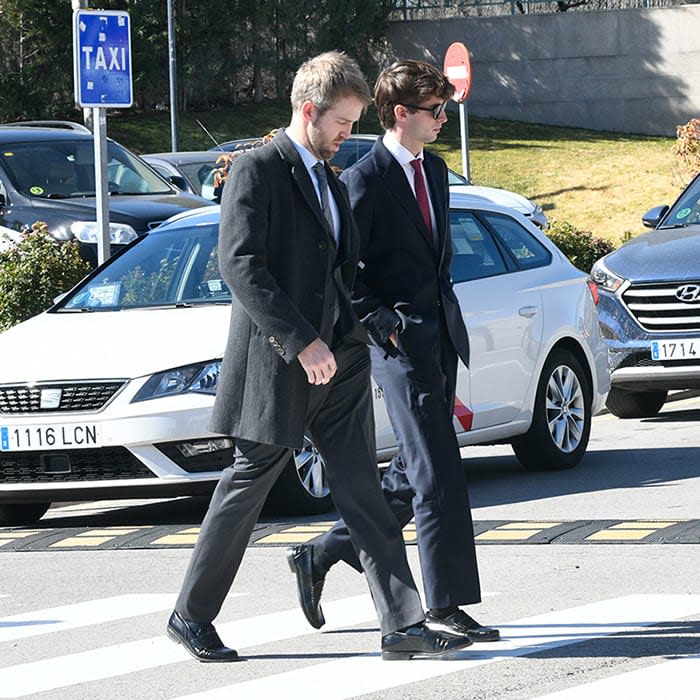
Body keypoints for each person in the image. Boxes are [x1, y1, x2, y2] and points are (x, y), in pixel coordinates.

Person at [166, 52, 473, 663]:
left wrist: (352, 337)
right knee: (248, 484)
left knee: (362, 490)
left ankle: (402, 625)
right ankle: (190, 614)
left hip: (343, 359)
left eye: (355, 123)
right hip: (279, 362)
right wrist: (300, 339)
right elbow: (242, 266)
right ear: (308, 111)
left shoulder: (332, 180)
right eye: (342, 122)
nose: (349, 135)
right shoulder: (258, 170)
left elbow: (342, 272)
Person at [288, 59, 500, 644]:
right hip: (399, 345)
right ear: (401, 113)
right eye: (434, 110)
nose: (442, 119)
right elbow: (342, 269)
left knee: (410, 477)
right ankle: (444, 605)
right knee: (437, 474)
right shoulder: (364, 178)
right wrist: (384, 323)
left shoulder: (434, 171)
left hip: (440, 339)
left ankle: (323, 551)